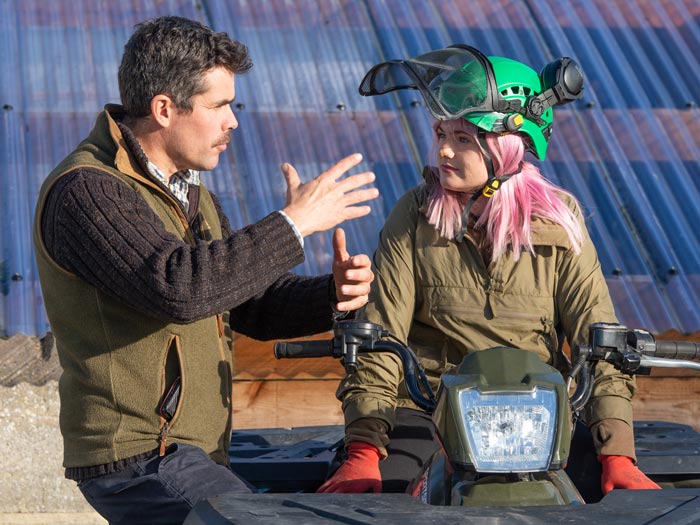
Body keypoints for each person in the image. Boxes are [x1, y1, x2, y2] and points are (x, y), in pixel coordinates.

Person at [32, 16, 378, 525]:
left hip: (191, 451)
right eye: (219, 106)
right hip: (140, 457)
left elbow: (246, 304)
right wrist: (294, 223)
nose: (233, 121)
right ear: (165, 109)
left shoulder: (191, 193)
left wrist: (332, 294)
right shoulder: (87, 191)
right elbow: (180, 288)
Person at [318, 45, 660, 497]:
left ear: (507, 148)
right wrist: (363, 451)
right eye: (441, 133)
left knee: (600, 501)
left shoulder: (560, 220)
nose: (443, 150)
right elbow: (381, 338)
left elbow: (599, 340)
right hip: (430, 412)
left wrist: (617, 454)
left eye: (463, 139)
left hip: (538, 419)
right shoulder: (415, 215)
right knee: (388, 498)